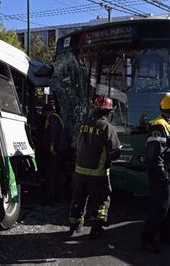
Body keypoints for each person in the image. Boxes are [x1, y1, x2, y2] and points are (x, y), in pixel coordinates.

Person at [141, 94, 170, 253]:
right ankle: (147, 240)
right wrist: (162, 175)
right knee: (159, 210)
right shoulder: (159, 126)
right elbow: (155, 155)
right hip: (164, 178)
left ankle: (168, 237)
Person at [69, 95, 121, 238]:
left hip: (79, 173)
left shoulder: (82, 124)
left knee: (78, 200)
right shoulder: (107, 127)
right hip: (98, 175)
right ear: (108, 112)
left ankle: (74, 226)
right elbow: (114, 153)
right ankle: (96, 229)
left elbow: (76, 145)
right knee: (101, 202)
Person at [42, 103, 68, 205]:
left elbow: (52, 135)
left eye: (44, 112)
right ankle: (59, 197)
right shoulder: (56, 118)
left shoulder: (52, 119)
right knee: (58, 174)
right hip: (60, 151)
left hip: (54, 152)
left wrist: (51, 149)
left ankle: (51, 199)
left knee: (51, 176)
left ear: (47, 111)